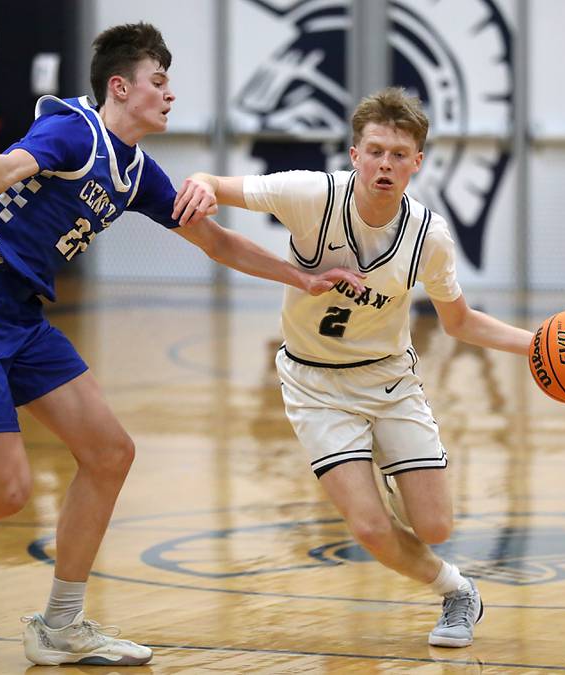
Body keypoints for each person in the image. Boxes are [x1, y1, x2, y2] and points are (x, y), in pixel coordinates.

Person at [0, 22, 363, 667]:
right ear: (120, 87)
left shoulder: (135, 171)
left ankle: (61, 624)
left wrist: (302, 276)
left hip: (20, 313)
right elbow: (11, 165)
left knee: (109, 453)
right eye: (159, 81)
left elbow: (217, 241)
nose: (170, 94)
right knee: (7, 491)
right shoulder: (74, 130)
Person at [173, 86, 534, 648]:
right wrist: (199, 182)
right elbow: (216, 185)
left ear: (417, 162)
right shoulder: (310, 195)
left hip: (388, 379)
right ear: (354, 154)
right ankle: (457, 591)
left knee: (436, 525)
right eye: (375, 150)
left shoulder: (429, 238)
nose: (385, 164)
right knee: (369, 529)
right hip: (313, 384)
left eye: (398, 154)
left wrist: (533, 345)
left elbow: (460, 322)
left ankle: (394, 475)